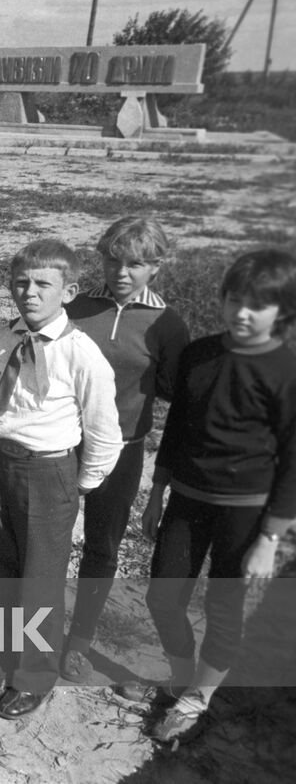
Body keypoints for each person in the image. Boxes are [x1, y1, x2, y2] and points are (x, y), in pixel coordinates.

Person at [139, 248, 296, 744]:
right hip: (186, 496)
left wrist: (270, 538)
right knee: (163, 596)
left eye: (257, 305)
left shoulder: (285, 371)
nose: (241, 313)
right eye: (233, 299)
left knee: (224, 608)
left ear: (284, 312)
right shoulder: (200, 354)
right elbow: (176, 428)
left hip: (245, 511)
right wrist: (157, 490)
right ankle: (180, 674)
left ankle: (195, 699)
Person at [0, 239, 121, 720]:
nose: (29, 293)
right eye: (20, 283)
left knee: (39, 579)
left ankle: (34, 675)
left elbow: (103, 430)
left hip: (51, 471)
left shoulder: (82, 353)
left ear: (69, 290)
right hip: (3, 466)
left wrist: (80, 485)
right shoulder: (1, 338)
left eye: (42, 284)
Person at [61, 217, 189, 682]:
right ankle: (31, 631)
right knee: (50, 539)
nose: (121, 272)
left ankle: (78, 642)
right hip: (63, 443)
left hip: (123, 447)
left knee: (102, 544)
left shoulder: (167, 323)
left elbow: (178, 394)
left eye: (135, 264)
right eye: (113, 260)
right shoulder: (78, 306)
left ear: (155, 267)